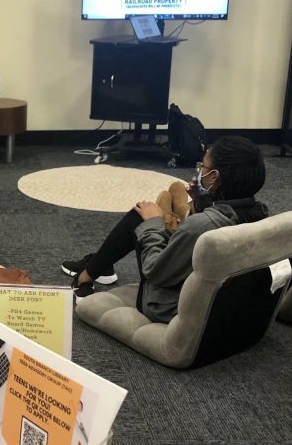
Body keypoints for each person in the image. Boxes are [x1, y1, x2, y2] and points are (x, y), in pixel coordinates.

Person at [63, 136, 268, 323]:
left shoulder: (202, 226)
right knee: (158, 212)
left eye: (203, 166)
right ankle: (100, 263)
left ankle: (86, 274)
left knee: (140, 215)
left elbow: (154, 271)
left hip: (167, 305)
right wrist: (200, 198)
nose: (199, 170)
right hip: (222, 302)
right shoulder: (261, 215)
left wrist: (152, 223)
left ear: (214, 177)